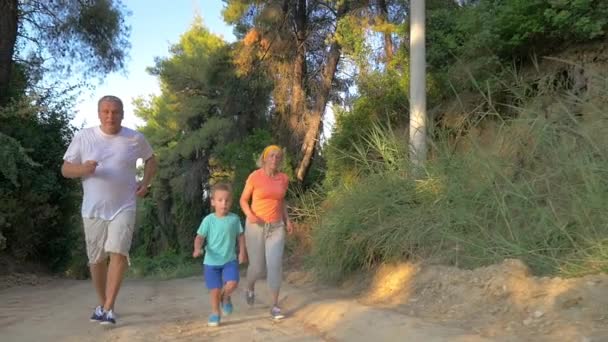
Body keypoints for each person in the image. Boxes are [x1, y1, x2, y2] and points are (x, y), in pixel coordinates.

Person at [61, 95, 156, 325]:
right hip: (93, 209)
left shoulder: (134, 138)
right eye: (106, 111)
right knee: (96, 259)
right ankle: (103, 304)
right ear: (99, 113)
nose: (110, 116)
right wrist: (83, 168)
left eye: (115, 112)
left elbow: (151, 159)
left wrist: (146, 181)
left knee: (118, 252)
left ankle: (109, 307)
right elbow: (65, 169)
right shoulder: (84, 137)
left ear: (122, 114)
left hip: (124, 206)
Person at [240, 145, 294, 320]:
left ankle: (275, 306)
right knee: (257, 267)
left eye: (278, 157)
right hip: (256, 226)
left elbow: (281, 200)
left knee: (275, 264)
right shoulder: (255, 177)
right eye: (271, 156)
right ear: (264, 158)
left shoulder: (283, 178)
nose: (274, 159)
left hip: (276, 227)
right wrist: (250, 215)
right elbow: (243, 200)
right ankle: (249, 287)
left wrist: (287, 220)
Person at [193, 182, 247, 327]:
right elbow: (199, 237)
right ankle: (215, 313)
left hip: (229, 260)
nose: (224, 203)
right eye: (220, 200)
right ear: (213, 202)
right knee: (214, 290)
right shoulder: (208, 220)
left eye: (227, 200)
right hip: (211, 262)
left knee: (233, 283)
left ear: (231, 202)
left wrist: (242, 252)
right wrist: (197, 249)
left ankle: (226, 297)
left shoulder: (234, 219)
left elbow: (240, 236)